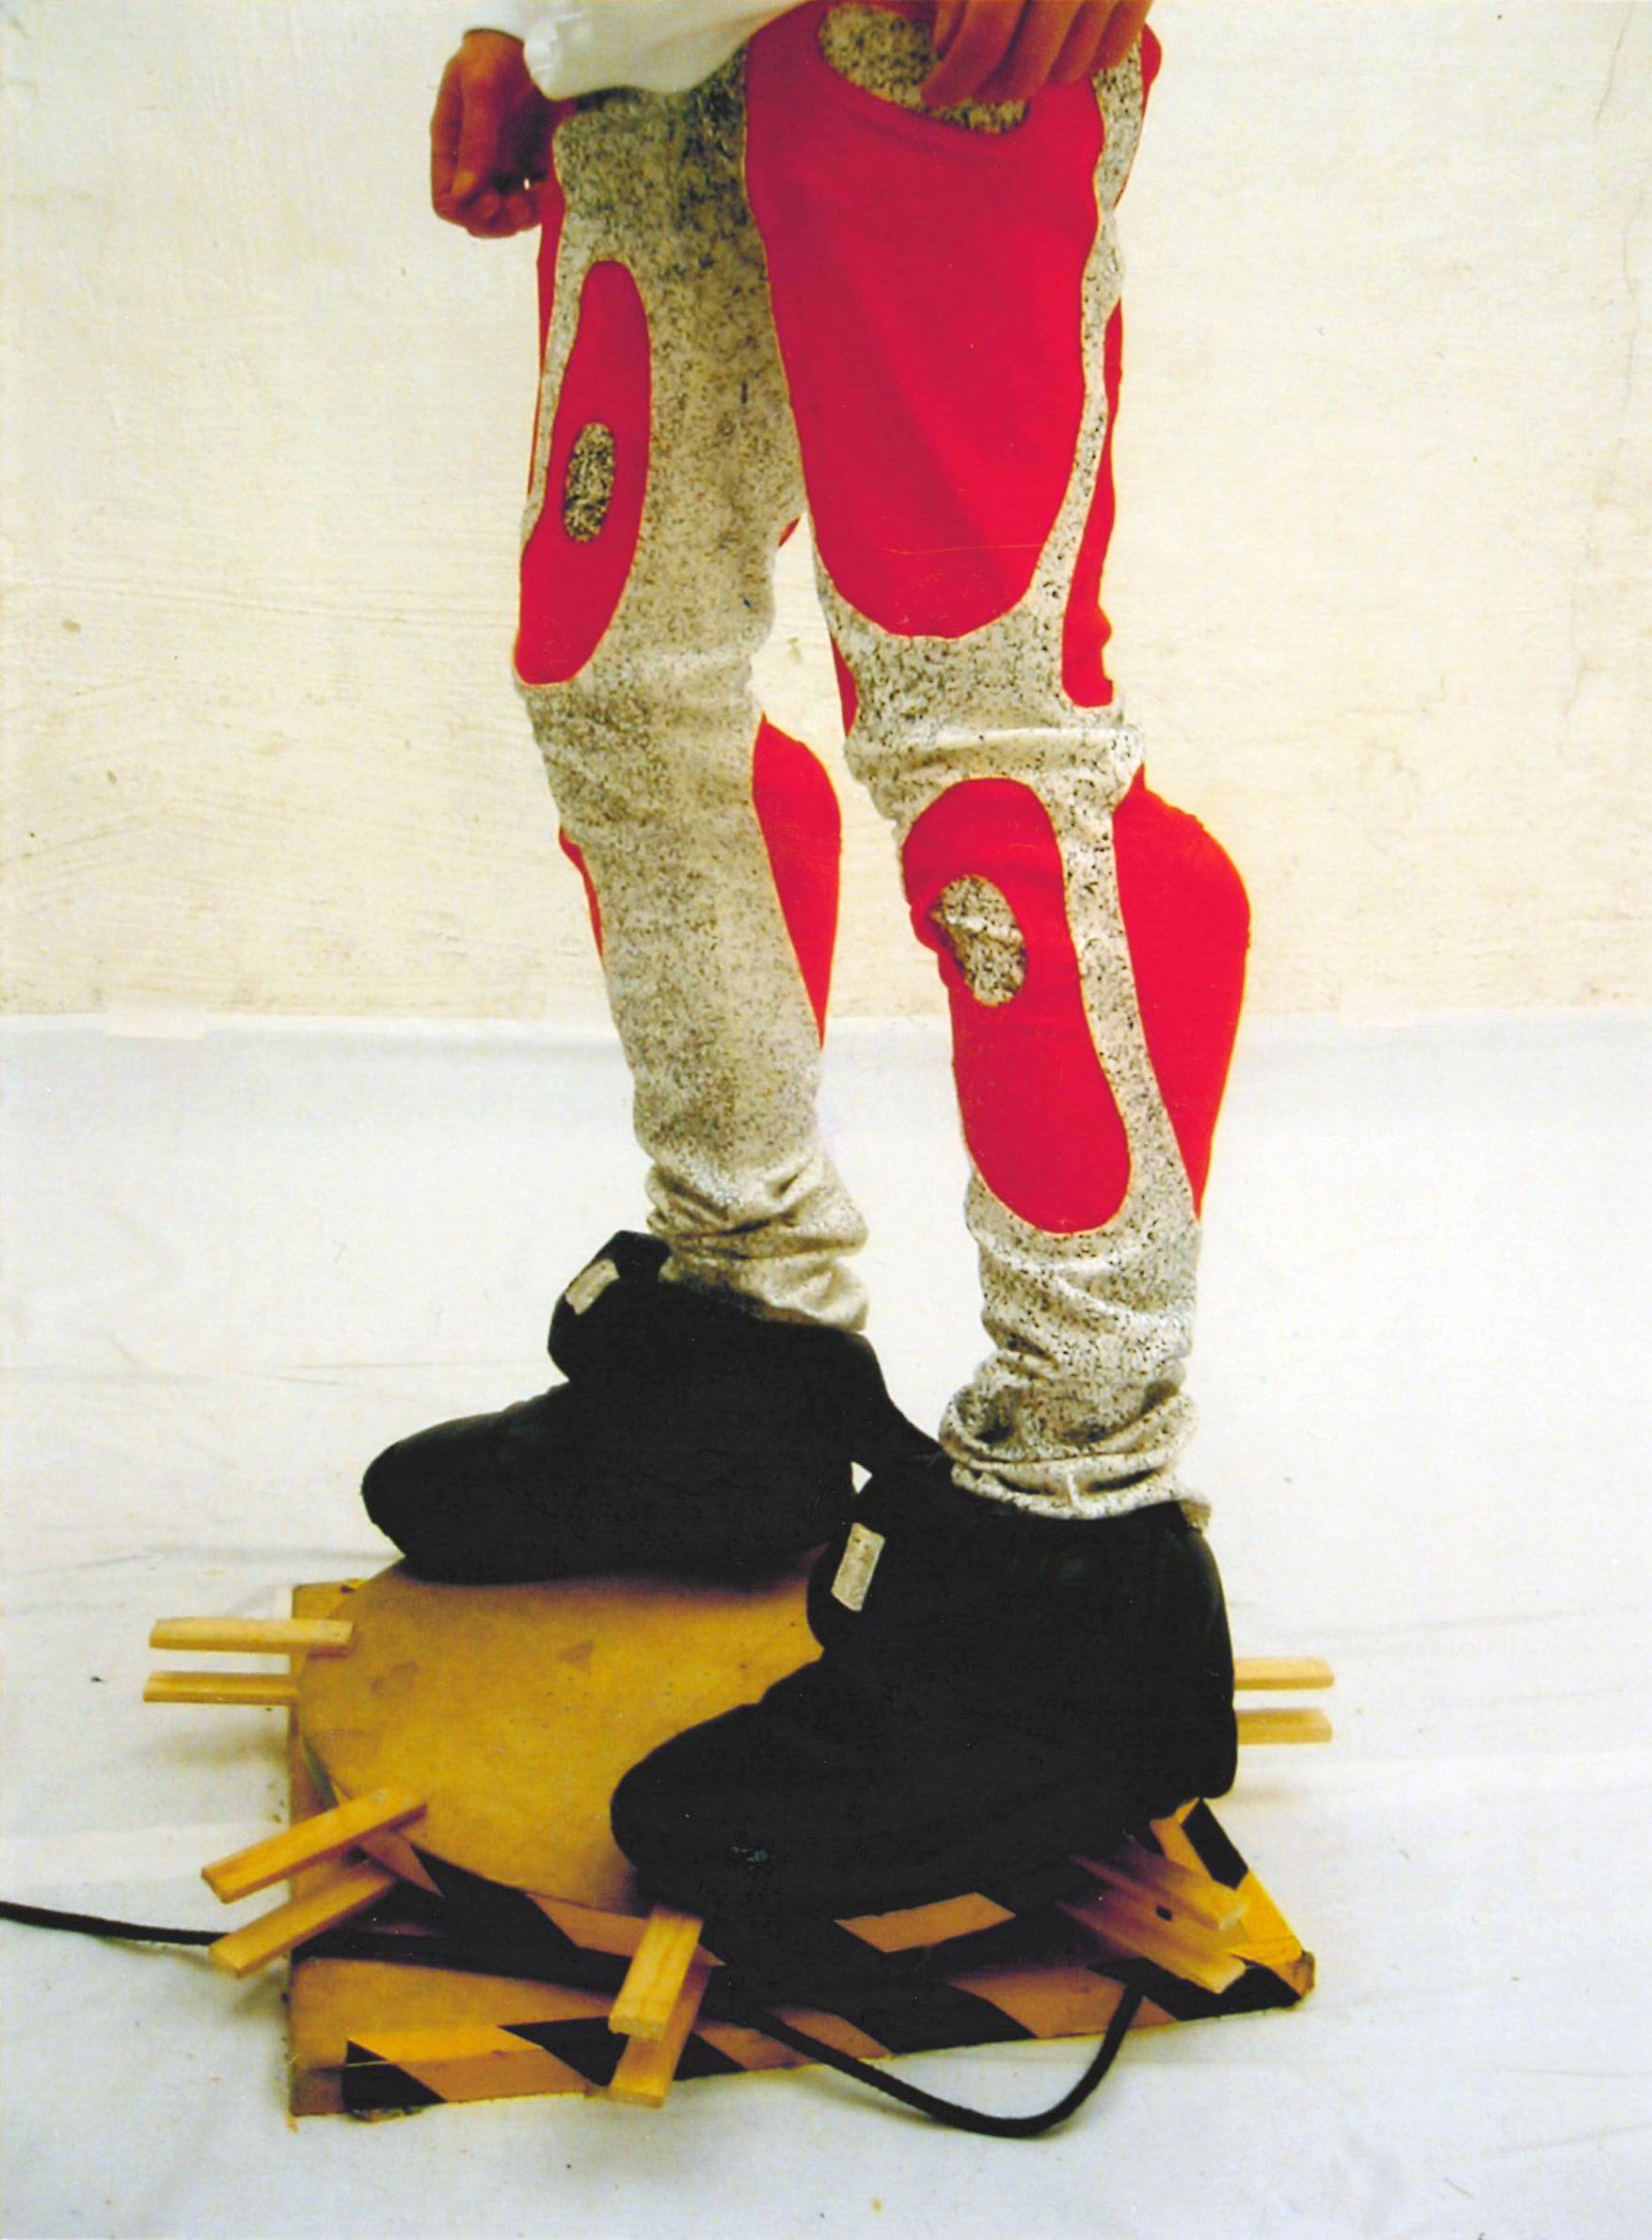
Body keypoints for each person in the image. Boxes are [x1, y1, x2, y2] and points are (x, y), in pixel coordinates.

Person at [364, 0, 1251, 1918]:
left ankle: (1077, 1539)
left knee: (984, 743)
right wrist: (540, 21)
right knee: (619, 695)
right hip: (645, 53)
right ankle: (741, 1354)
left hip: (920, 34)